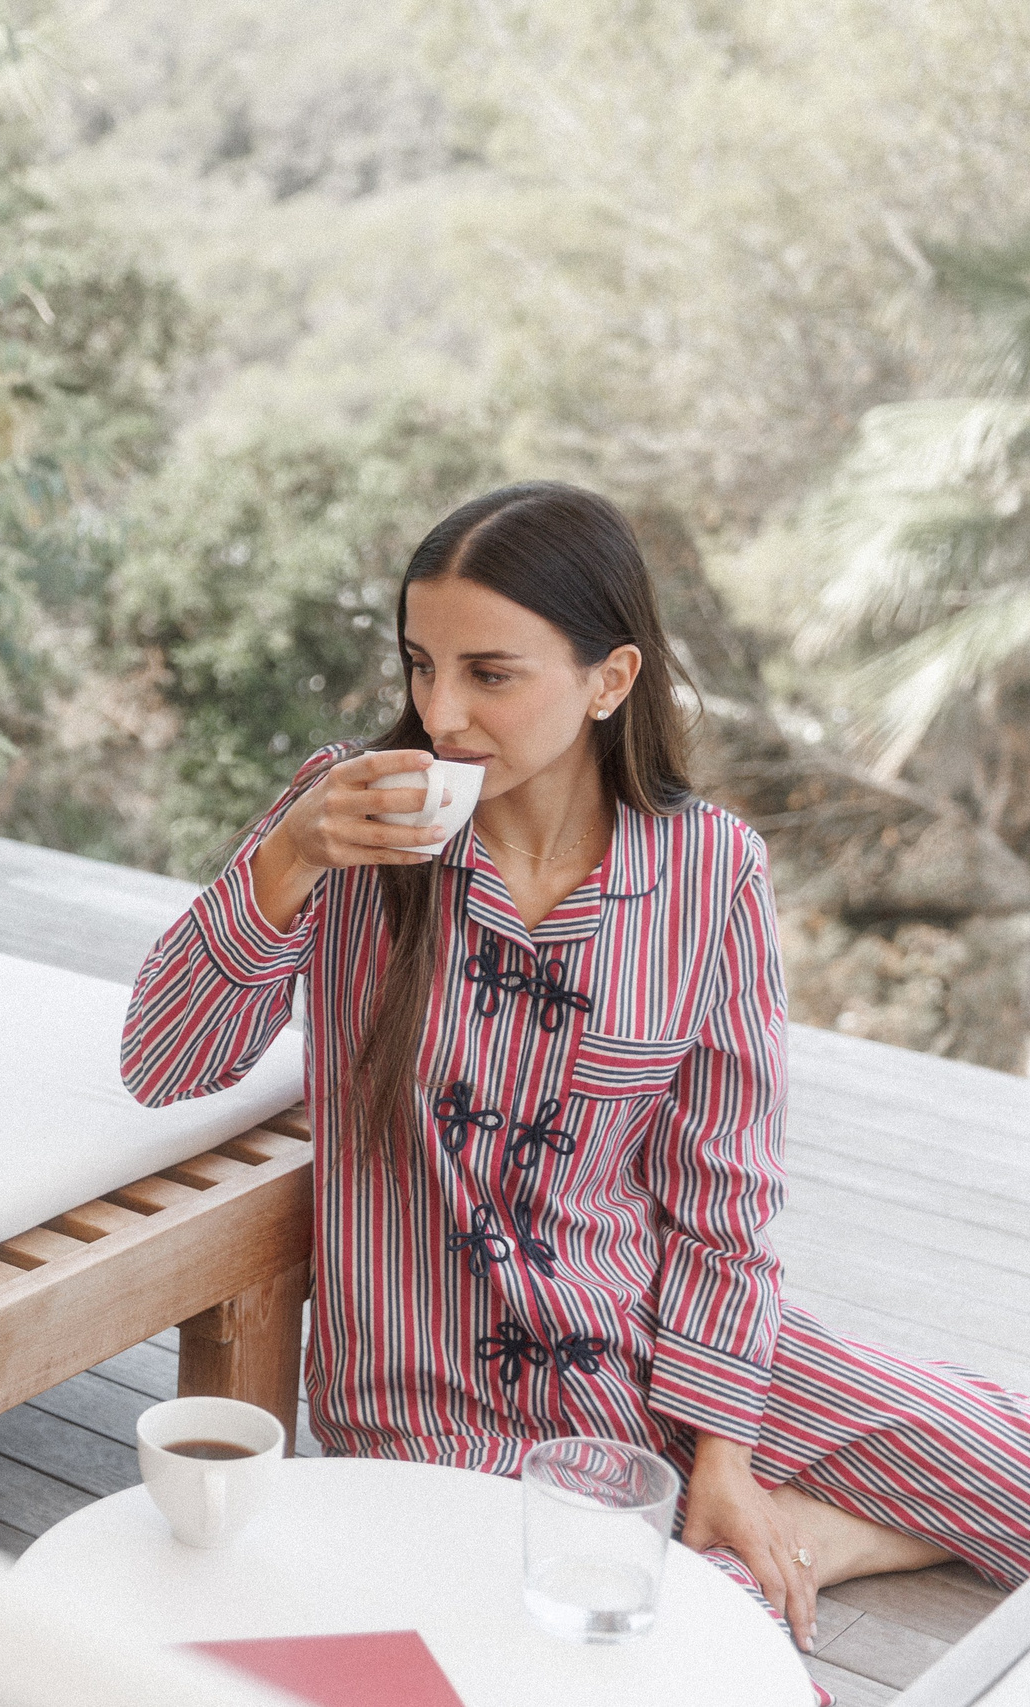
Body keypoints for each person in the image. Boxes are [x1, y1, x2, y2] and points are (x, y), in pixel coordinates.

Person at [119, 482, 1029, 1678]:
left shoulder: (710, 872)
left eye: (490, 674)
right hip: (436, 1399)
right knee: (679, 1656)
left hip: (657, 1343)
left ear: (609, 681)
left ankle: (795, 1538)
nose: (438, 712)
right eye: (419, 664)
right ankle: (751, 1573)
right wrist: (287, 858)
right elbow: (165, 1059)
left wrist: (723, 1457)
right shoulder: (352, 824)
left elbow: (725, 1191)